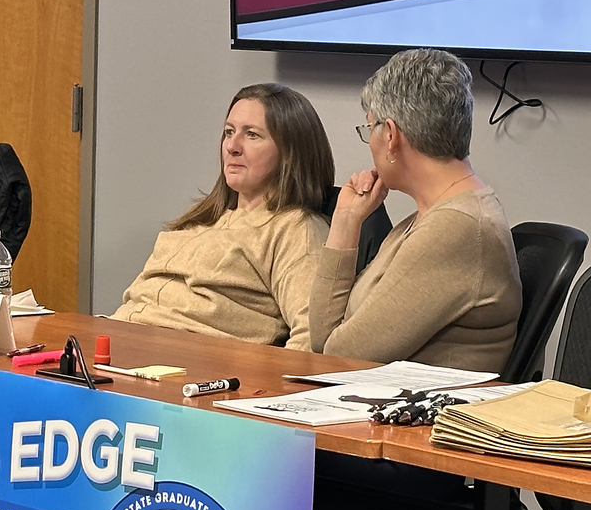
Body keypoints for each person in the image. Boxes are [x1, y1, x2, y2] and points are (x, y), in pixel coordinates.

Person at [310, 48, 521, 372]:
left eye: (369, 129)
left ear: (391, 135)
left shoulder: (456, 227)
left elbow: (341, 356)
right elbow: (323, 341)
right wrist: (346, 221)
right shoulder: (428, 218)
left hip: (415, 406)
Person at [111, 83, 335, 350]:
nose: (232, 146)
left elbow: (312, 337)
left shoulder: (296, 229)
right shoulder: (203, 219)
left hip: (184, 361)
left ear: (290, 152)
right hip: (117, 339)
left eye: (252, 135)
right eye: (229, 132)